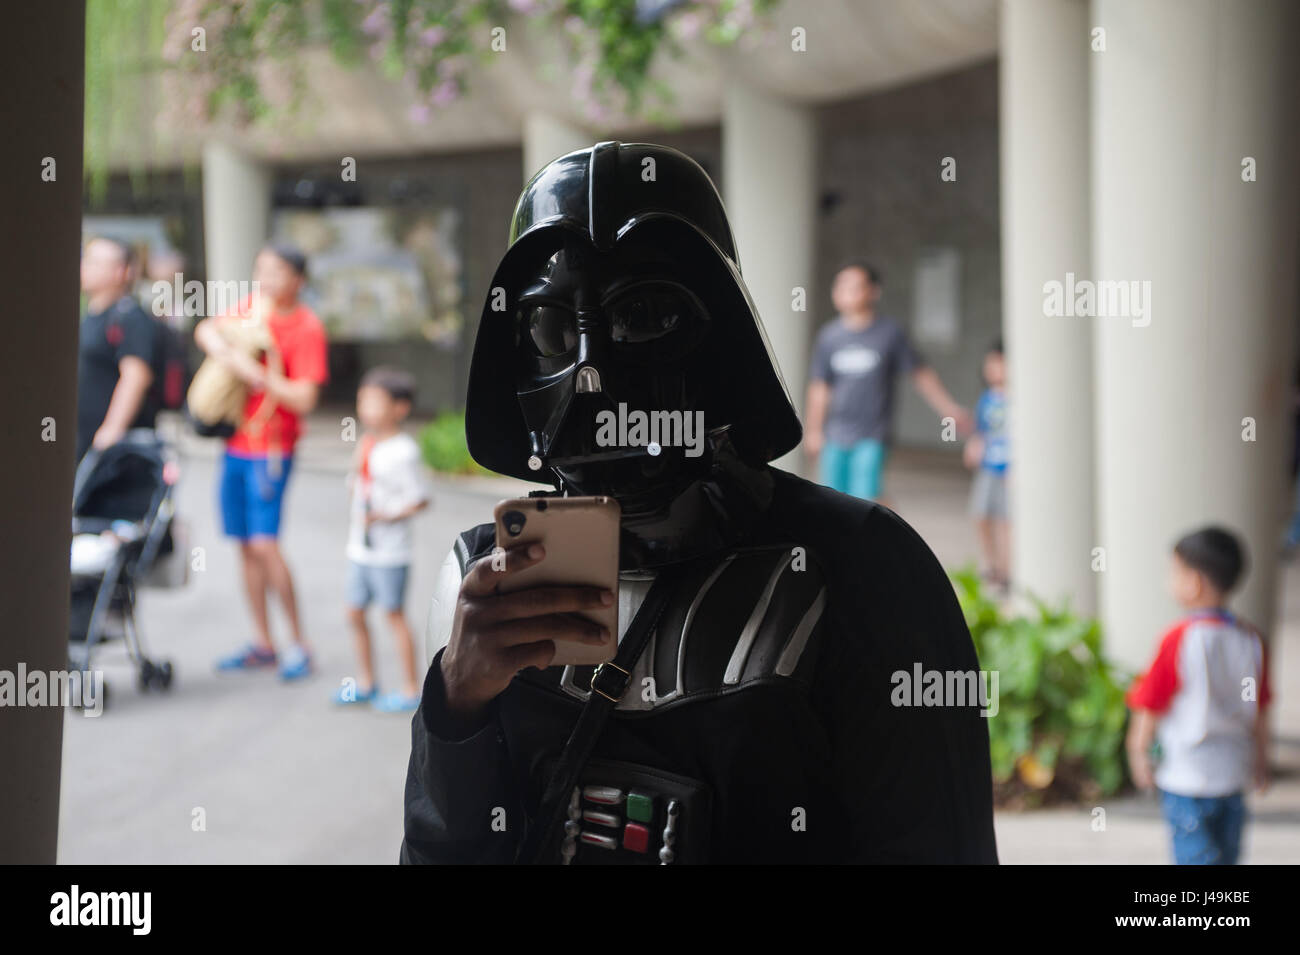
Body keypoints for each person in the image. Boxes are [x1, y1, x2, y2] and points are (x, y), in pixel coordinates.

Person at [400, 142, 998, 864]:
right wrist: (458, 704)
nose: (592, 372)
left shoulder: (863, 568)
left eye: (644, 316)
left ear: (724, 339)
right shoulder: (481, 581)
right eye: (553, 326)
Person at [194, 243, 329, 681]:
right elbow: (207, 330)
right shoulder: (252, 310)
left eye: (276, 271)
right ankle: (263, 642)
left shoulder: (306, 327)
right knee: (246, 547)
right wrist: (228, 353)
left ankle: (299, 644)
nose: (266, 279)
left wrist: (258, 375)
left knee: (266, 545)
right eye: (261, 269)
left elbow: (305, 398)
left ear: (298, 280)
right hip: (235, 445)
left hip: (271, 451)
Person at [1125, 527, 1272, 865]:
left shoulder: (1178, 637)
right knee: (1227, 856)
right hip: (1233, 773)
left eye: (1173, 572)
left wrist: (1137, 750)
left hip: (1186, 776)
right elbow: (1260, 709)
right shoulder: (1251, 639)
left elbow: (1150, 701)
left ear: (1194, 582)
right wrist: (1260, 763)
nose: (1169, 582)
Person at [804, 262, 971, 501]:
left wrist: (948, 409)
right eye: (840, 286)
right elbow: (820, 387)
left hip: (872, 434)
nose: (845, 292)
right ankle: (882, 528)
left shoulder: (890, 333)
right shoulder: (829, 336)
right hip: (835, 434)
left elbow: (920, 374)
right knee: (832, 499)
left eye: (854, 286)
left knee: (864, 499)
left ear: (873, 291)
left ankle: (881, 533)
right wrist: (814, 430)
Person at [335, 367, 430, 713]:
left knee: (394, 615)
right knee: (354, 612)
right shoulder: (367, 442)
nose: (366, 409)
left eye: (375, 402)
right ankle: (366, 682)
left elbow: (420, 499)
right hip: (359, 549)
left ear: (399, 408)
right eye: (363, 401)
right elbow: (356, 485)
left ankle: (409, 689)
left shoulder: (404, 451)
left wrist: (385, 516)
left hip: (390, 553)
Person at [76, 236, 162, 466]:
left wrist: (112, 430)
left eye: (94, 262)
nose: (84, 267)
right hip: (83, 444)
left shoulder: (131, 318)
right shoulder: (90, 317)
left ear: (121, 271)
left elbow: (136, 375)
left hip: (113, 456)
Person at [963, 339, 1010, 590]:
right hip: (988, 468)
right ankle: (991, 565)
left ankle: (1006, 570)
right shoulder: (987, 399)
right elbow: (980, 431)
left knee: (1006, 521)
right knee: (980, 515)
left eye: (999, 364)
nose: (993, 370)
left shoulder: (1017, 399)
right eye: (989, 365)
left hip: (1008, 470)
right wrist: (974, 445)